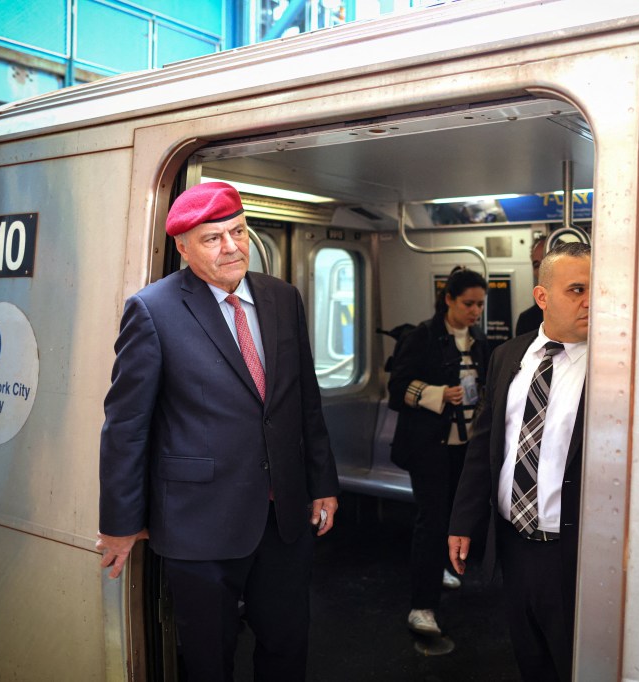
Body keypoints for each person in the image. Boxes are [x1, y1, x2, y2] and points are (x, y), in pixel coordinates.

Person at [96, 182, 339, 682]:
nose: (231, 246)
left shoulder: (281, 298)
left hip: (283, 516)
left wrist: (323, 484)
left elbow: (303, 401)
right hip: (199, 522)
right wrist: (121, 521)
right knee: (209, 658)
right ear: (183, 248)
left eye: (238, 231)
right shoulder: (153, 310)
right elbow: (126, 425)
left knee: (287, 645)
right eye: (213, 238)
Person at [448, 242, 590, 682]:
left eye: (598, 289)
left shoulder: (614, 365)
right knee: (531, 661)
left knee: (574, 664)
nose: (591, 300)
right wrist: (462, 521)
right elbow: (485, 445)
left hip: (573, 551)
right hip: (511, 543)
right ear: (542, 297)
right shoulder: (509, 356)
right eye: (577, 289)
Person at [388, 267, 490, 638]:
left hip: (463, 446)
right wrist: (438, 395)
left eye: (480, 305)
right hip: (428, 446)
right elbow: (397, 389)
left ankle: (439, 569)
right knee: (431, 522)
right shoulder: (423, 336)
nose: (475, 312)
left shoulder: (478, 341)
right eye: (468, 304)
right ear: (448, 299)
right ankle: (422, 605)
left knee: (453, 519)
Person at [514, 236, 546, 336]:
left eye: (548, 261)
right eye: (537, 265)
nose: (542, 269)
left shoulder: (585, 310)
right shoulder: (527, 320)